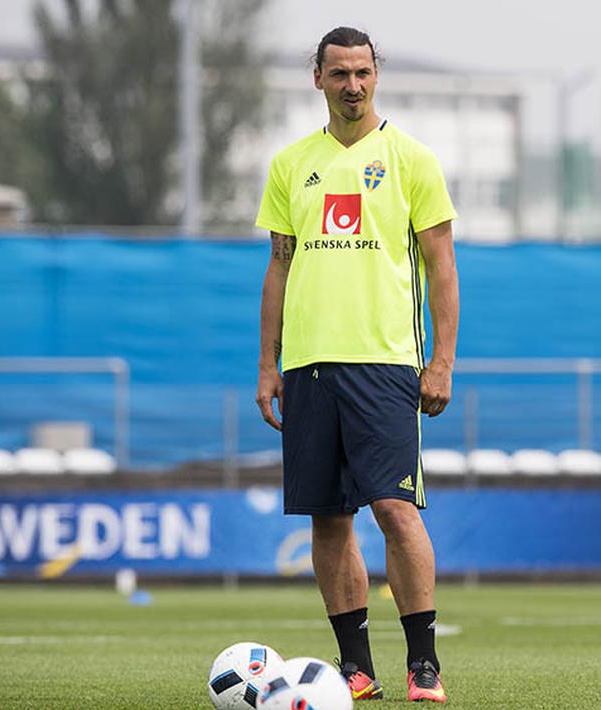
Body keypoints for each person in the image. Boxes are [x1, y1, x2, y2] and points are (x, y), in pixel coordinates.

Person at [254, 25, 458, 704]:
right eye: (338, 73)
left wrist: (442, 362)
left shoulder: (411, 160)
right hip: (309, 365)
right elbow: (279, 268)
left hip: (386, 364)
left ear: (377, 76)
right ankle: (355, 667)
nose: (352, 85)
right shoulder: (290, 165)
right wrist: (268, 364)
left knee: (395, 509)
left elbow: (441, 268)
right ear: (317, 79)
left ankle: (423, 664)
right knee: (328, 519)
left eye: (362, 73)